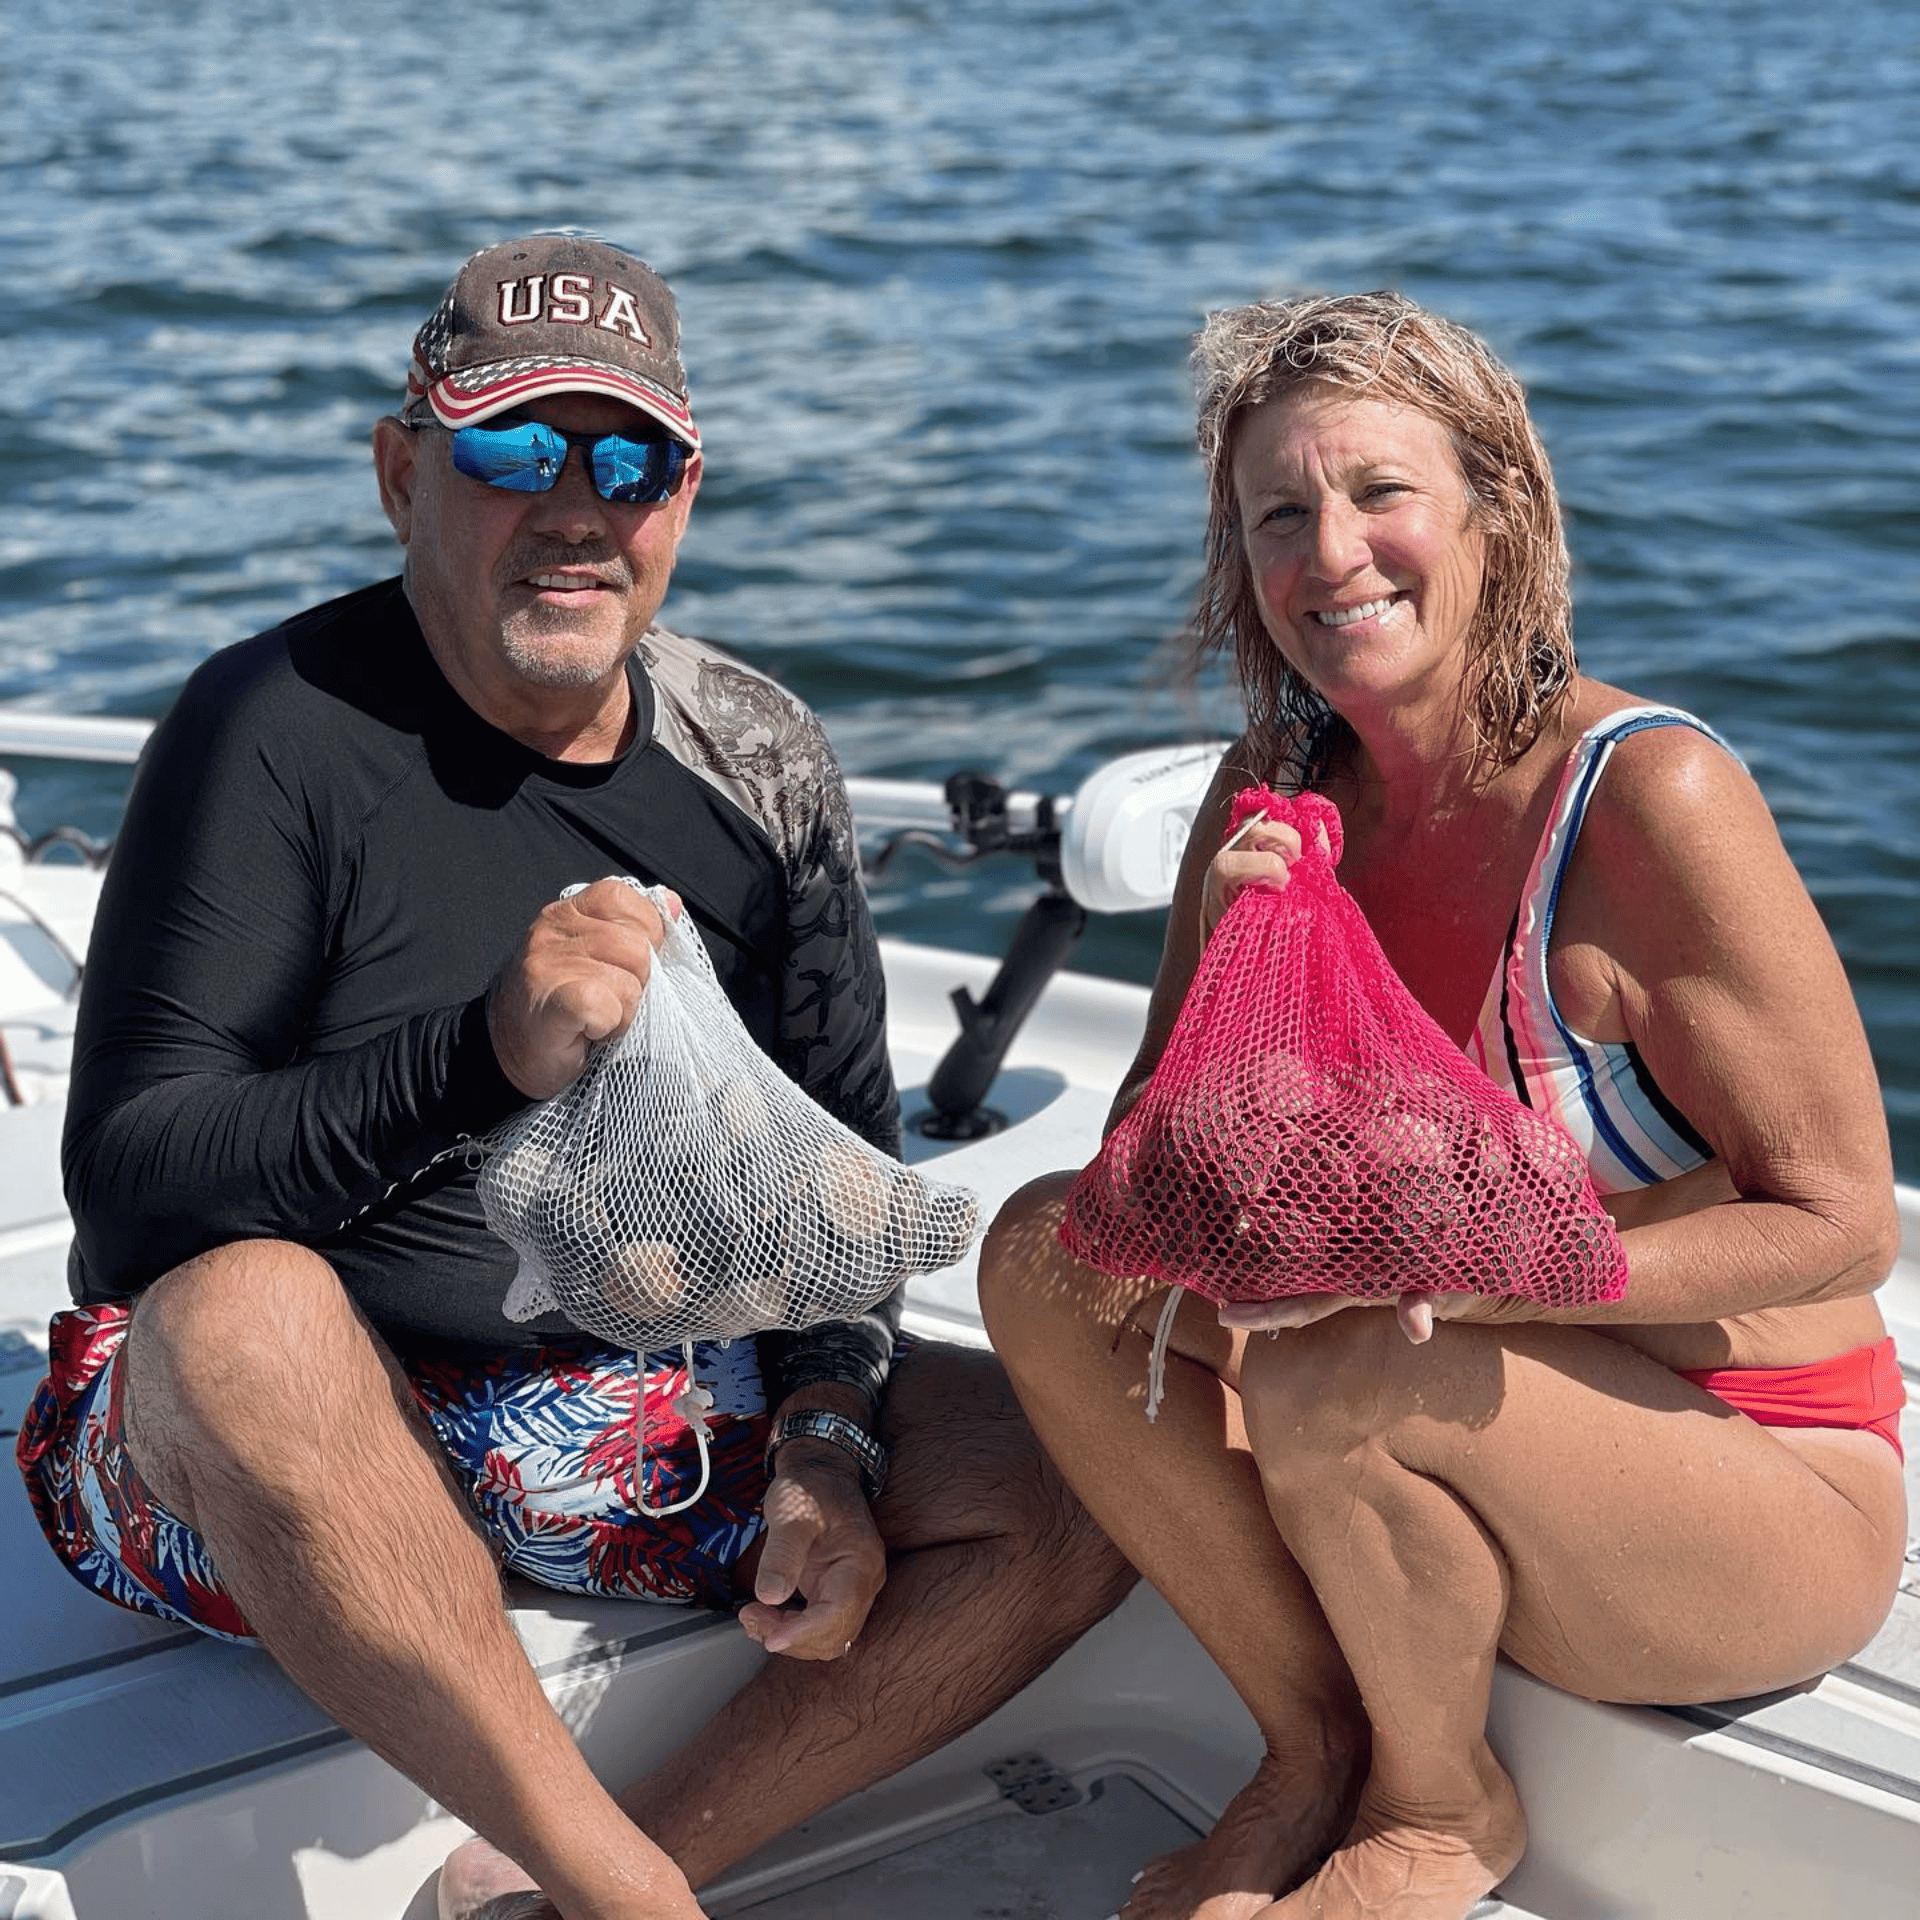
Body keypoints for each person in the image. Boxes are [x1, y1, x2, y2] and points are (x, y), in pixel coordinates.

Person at [14, 231, 1134, 1920]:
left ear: (683, 494)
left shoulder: (757, 761)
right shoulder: (268, 725)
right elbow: (136, 1194)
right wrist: (482, 1056)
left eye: (629, 460)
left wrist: (826, 1444)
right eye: (515, 450)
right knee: (246, 1321)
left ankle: (555, 1896)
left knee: (1095, 1476)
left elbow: (836, 1196)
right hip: (237, 1454)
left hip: (596, 1415)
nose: (576, 506)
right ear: (405, 473)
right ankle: (622, 1889)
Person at [977, 290, 1905, 1920]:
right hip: (1444, 1421)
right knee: (1044, 1255)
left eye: (1379, 492)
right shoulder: (1264, 800)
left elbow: (1838, 1224)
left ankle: (1436, 1809)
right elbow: (1139, 1202)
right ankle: (1311, 1741)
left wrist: (1479, 1278)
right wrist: (1236, 965)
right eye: (1280, 513)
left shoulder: (1646, 799)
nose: (1331, 551)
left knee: (1344, 1359)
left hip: (1755, 1489)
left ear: (1497, 512)